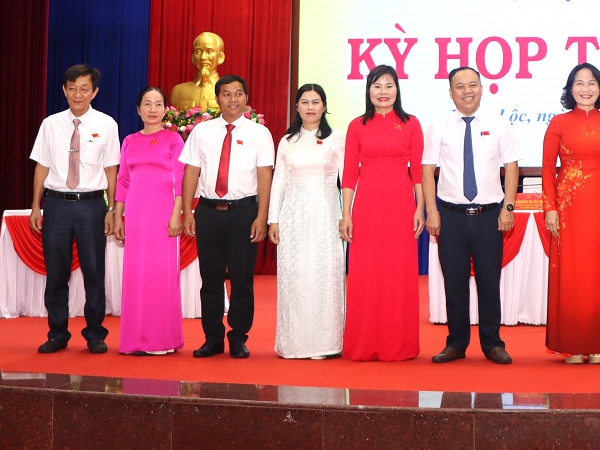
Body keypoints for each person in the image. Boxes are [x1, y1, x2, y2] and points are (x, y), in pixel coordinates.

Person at [422, 67, 518, 365]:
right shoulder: (439, 126)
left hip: (489, 216)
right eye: (460, 86)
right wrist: (432, 212)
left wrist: (508, 207)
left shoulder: (499, 123)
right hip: (451, 217)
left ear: (482, 88)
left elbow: (511, 166)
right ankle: (456, 343)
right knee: (455, 283)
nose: (467, 91)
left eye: (473, 85)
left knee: (489, 281)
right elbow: (427, 170)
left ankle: (493, 344)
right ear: (450, 93)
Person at [541, 63, 600, 364]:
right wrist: (550, 208)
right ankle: (572, 344)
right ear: (570, 89)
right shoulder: (558, 123)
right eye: (579, 83)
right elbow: (547, 169)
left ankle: (599, 343)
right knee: (571, 272)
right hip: (568, 207)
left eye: (591, 83)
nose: (585, 89)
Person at [180, 74, 274, 359]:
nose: (233, 99)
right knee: (210, 278)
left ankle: (238, 337)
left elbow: (264, 177)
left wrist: (262, 217)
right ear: (217, 98)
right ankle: (212, 338)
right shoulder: (202, 131)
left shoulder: (259, 133)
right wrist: (188, 211)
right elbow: (191, 172)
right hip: (208, 212)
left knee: (242, 279)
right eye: (226, 94)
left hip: (244, 213)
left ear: (246, 98)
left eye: (238, 94)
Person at [29, 64, 120, 354]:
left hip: (92, 205)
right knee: (56, 273)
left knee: (94, 272)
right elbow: (42, 166)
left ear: (94, 92)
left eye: (84, 89)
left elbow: (111, 170)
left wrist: (111, 209)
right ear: (64, 90)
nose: (77, 94)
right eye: (72, 88)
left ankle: (95, 333)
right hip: (56, 205)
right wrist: (35, 206)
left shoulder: (107, 124)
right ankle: (57, 333)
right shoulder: (50, 124)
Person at [340, 65, 425, 361]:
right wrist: (346, 213)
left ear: (397, 89)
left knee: (397, 273)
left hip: (401, 206)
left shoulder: (411, 123)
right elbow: (349, 173)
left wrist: (420, 207)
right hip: (367, 206)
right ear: (368, 90)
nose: (383, 92)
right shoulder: (356, 126)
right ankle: (365, 343)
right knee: (366, 272)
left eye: (389, 85)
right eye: (377, 86)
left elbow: (418, 171)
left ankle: (398, 343)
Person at [269, 84, 346, 359]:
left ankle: (326, 343)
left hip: (326, 216)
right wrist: (273, 219)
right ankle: (294, 344)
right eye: (305, 102)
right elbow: (279, 182)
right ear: (297, 107)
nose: (310, 107)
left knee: (324, 275)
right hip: (293, 216)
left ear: (324, 106)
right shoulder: (287, 141)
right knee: (296, 276)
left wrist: (347, 215)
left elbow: (347, 180)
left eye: (316, 102)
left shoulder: (337, 138)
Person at [113, 87, 185, 355]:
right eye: (147, 103)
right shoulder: (129, 141)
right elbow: (123, 180)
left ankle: (161, 339)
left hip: (163, 215)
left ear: (165, 109)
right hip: (135, 215)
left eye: (158, 104)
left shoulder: (173, 139)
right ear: (138, 109)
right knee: (136, 275)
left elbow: (181, 180)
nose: (152, 109)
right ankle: (136, 339)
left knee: (160, 275)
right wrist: (118, 215)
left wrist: (176, 213)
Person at [170, 32, 226, 111]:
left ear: (220, 57)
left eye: (209, 51)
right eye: (198, 52)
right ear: (193, 57)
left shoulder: (229, 91)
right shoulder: (178, 91)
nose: (203, 57)